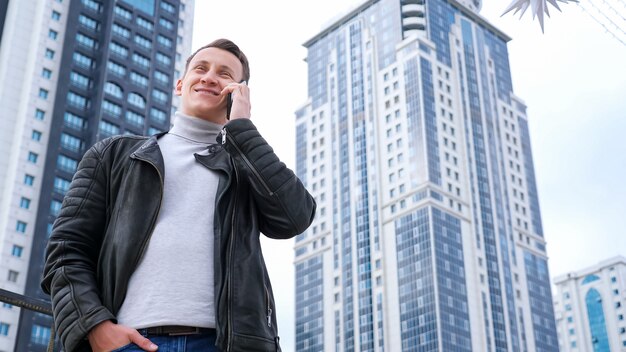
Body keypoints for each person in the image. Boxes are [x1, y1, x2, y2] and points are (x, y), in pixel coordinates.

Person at [41, 38, 316, 352]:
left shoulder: (245, 165)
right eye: (201, 68)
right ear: (180, 84)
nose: (210, 77)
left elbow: (295, 216)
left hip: (224, 345)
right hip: (129, 342)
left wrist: (242, 127)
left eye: (225, 74)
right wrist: (95, 326)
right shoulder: (113, 155)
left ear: (239, 92)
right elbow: (65, 251)